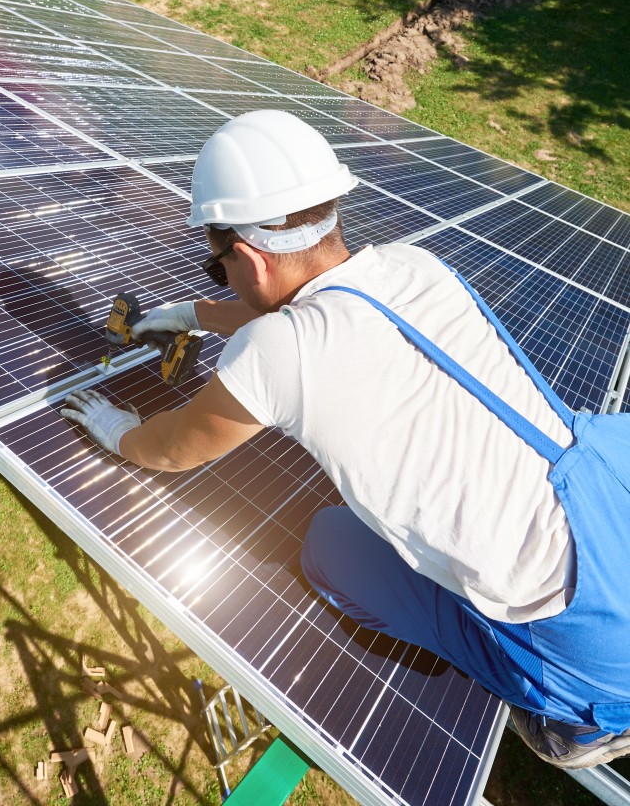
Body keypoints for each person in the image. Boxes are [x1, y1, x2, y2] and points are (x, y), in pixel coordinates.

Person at [61, 109, 630, 770]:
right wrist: (195, 314)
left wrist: (118, 429)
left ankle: (577, 726)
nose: (220, 279)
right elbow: (313, 301)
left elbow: (176, 448)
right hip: (609, 509)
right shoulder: (415, 266)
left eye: (218, 269)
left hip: (589, 656)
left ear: (245, 256)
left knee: (329, 547)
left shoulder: (278, 355)